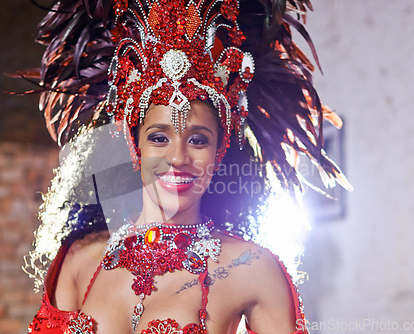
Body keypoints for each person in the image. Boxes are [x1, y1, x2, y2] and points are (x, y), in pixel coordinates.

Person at [20, 0, 350, 333]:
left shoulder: (253, 269)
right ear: (135, 147)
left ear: (220, 151)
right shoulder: (80, 260)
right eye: (159, 138)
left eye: (198, 140)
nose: (178, 158)